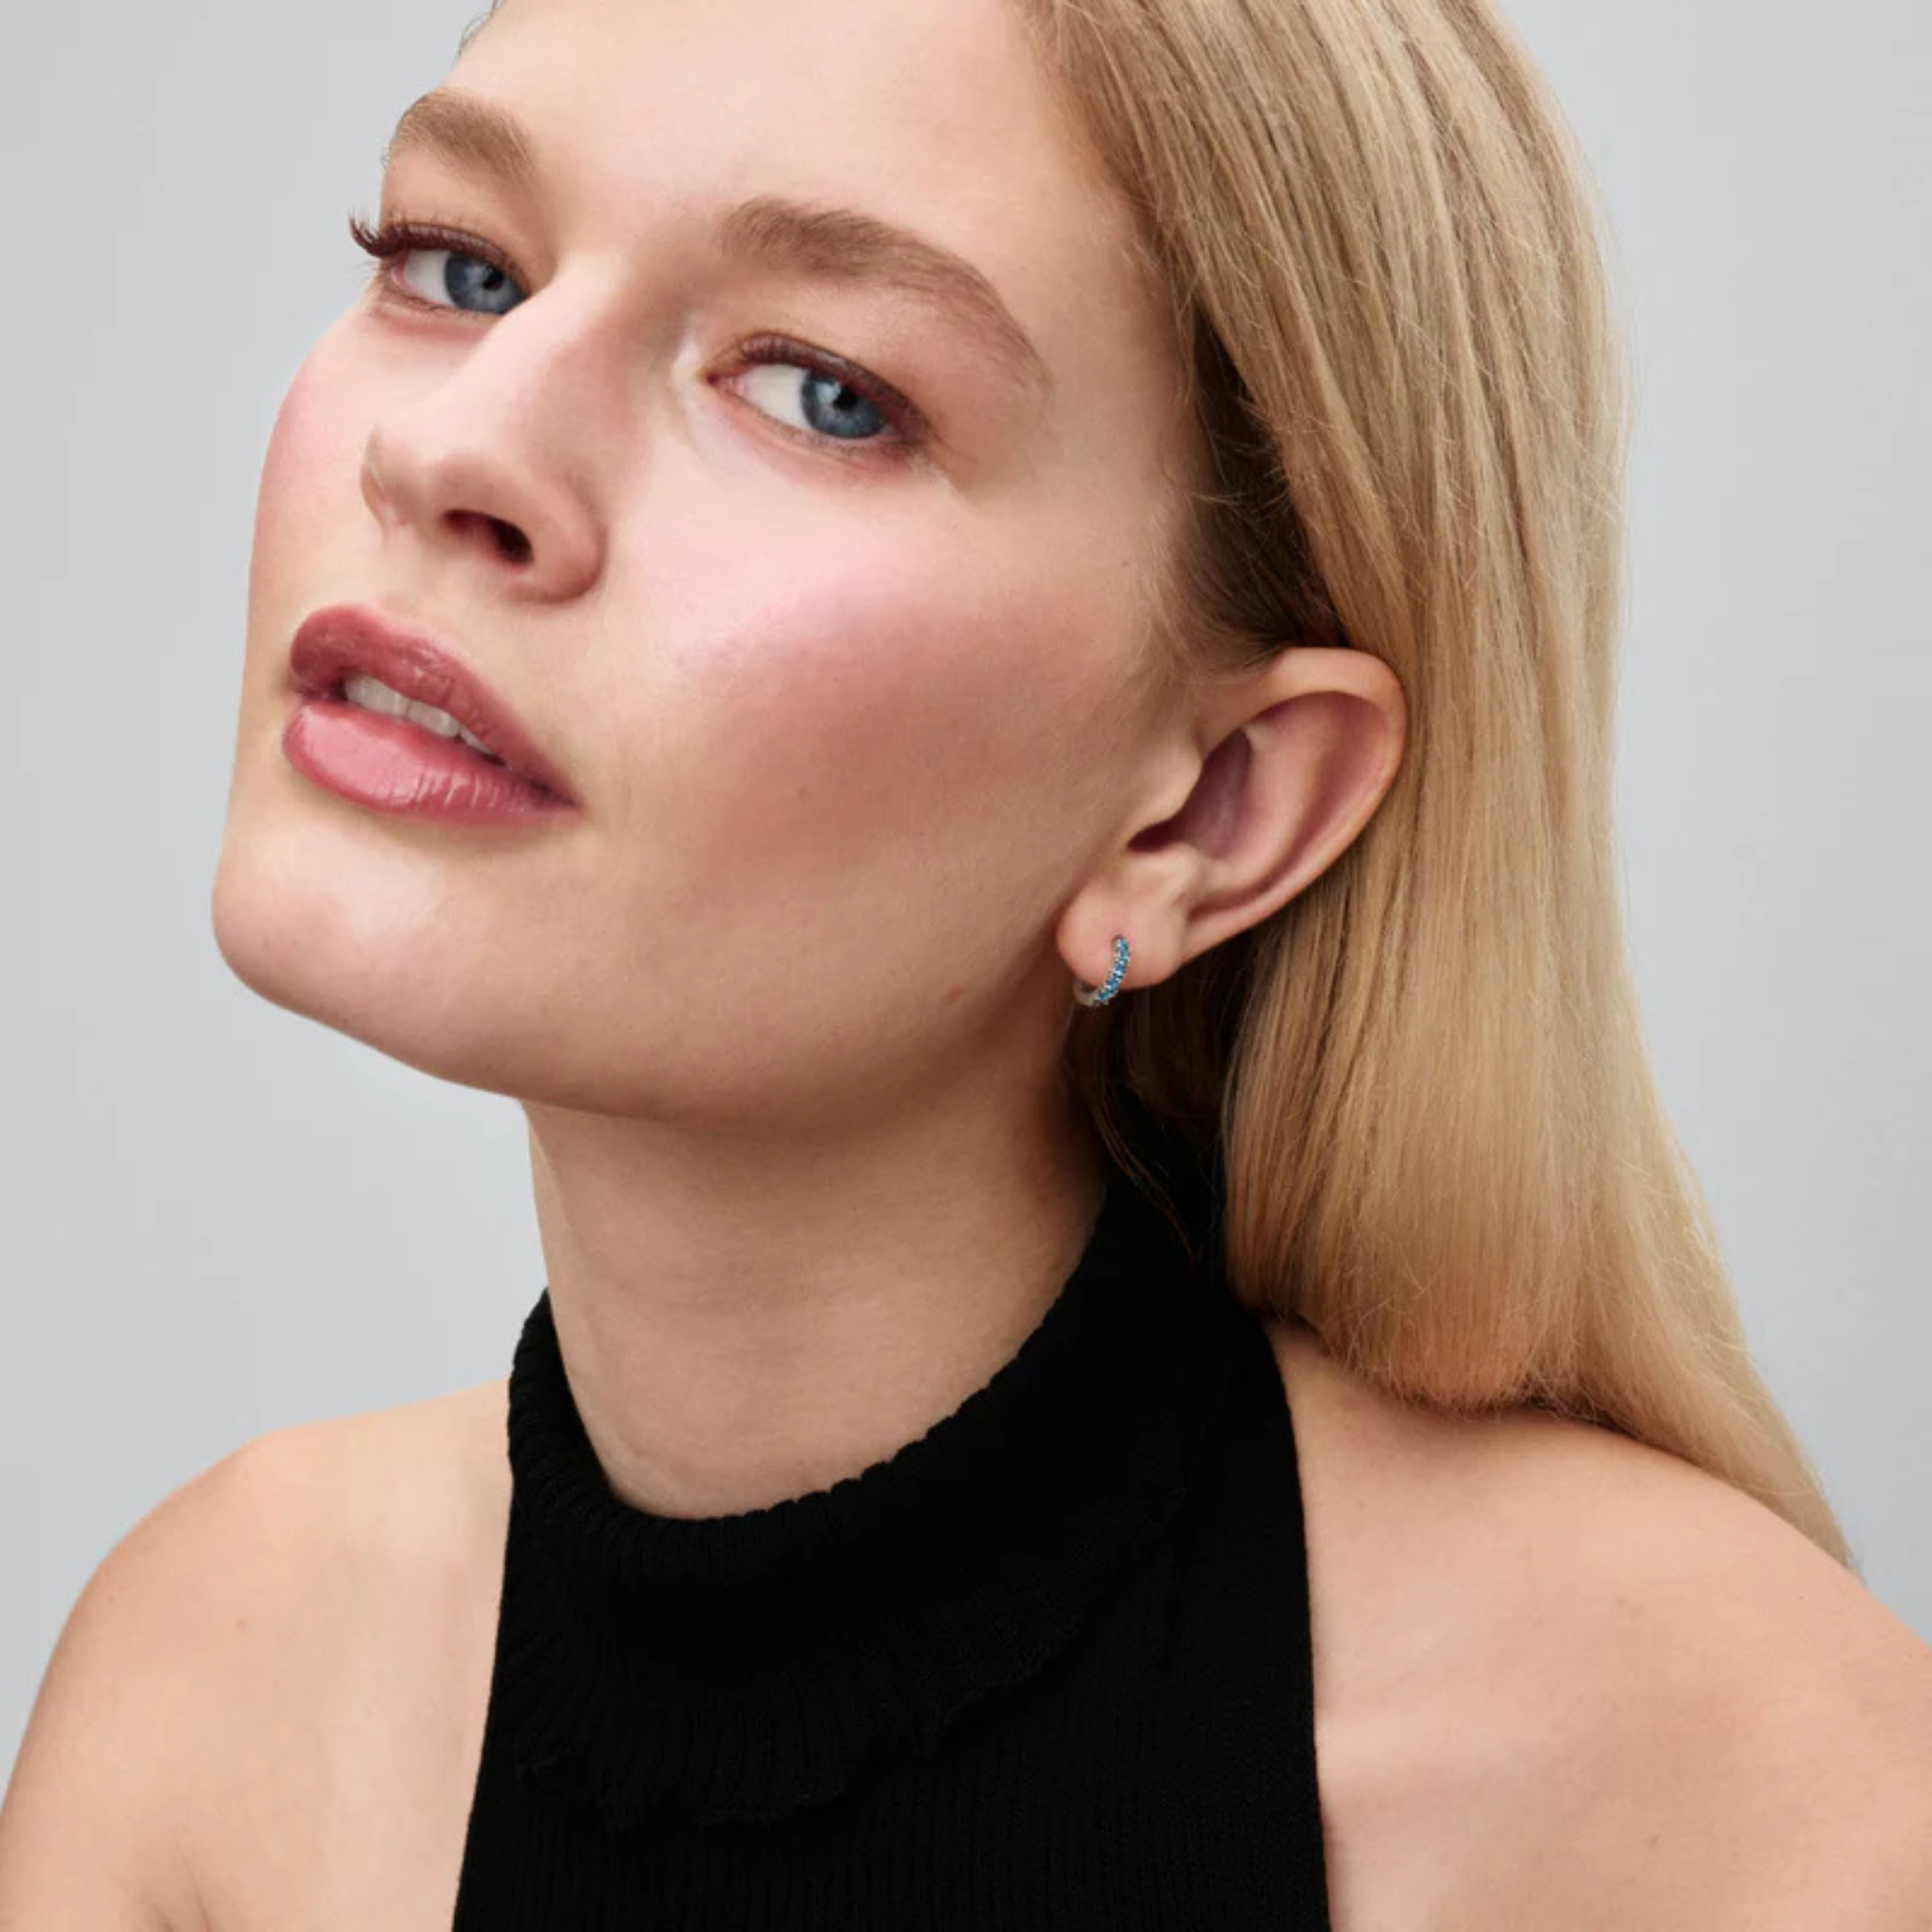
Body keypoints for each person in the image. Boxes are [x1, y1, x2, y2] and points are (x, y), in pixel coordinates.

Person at [4, 0, 1930, 1922]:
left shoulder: (1743, 1810)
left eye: (822, 391)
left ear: (1214, 810)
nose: (454, 445)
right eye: (458, 265)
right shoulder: (210, 1708)